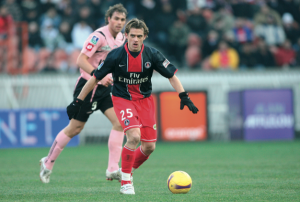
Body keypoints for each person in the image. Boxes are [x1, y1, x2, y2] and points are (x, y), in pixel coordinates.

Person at [66, 18, 199, 194]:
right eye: (132, 36)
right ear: (126, 35)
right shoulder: (115, 55)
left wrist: (183, 95)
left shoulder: (152, 54)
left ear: (145, 37)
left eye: (139, 36)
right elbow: (94, 78)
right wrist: (78, 101)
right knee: (134, 136)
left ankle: (125, 171)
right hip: (123, 100)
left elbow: (171, 76)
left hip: (145, 101)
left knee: (149, 147)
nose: (135, 40)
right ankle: (126, 182)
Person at [39, 4, 128, 183]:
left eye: (122, 19)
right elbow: (81, 60)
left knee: (119, 123)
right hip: (88, 87)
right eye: (116, 18)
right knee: (75, 129)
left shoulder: (122, 38)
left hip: (105, 89)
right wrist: (99, 76)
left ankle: (112, 169)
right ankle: (48, 162)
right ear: (108, 19)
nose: (119, 22)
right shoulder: (98, 36)